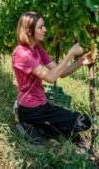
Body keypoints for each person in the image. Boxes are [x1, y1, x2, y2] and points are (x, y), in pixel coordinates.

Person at [12, 11, 94, 145]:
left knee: (71, 131)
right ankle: (27, 125)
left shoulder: (37, 49)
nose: (45, 29)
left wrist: (80, 62)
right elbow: (50, 77)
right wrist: (70, 54)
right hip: (30, 108)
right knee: (83, 121)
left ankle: (37, 127)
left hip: (43, 104)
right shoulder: (22, 53)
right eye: (40, 27)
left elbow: (60, 72)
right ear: (28, 30)